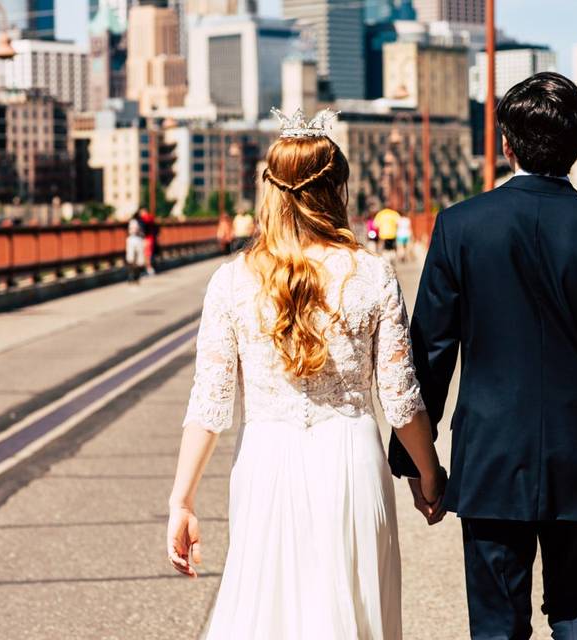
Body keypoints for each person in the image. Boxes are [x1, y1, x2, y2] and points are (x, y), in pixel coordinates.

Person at [388, 72, 577, 639]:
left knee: (496, 620)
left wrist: (417, 464)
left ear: (505, 143)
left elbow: (430, 353)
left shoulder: (460, 227)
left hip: (490, 453)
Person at [167, 116, 444, 639]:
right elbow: (401, 400)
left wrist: (182, 500)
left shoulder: (232, 280)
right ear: (337, 190)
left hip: (267, 464)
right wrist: (429, 473)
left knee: (270, 616)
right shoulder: (372, 273)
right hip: (351, 462)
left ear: (269, 190)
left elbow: (209, 404)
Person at [126, 209, 147, 284]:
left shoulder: (135, 221)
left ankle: (134, 276)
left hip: (135, 239)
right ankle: (133, 276)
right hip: (135, 239)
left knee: (135, 260)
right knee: (133, 259)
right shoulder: (138, 222)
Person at [139, 208, 159, 275]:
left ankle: (148, 268)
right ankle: (150, 268)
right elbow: (156, 229)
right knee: (149, 254)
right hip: (152, 238)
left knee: (146, 255)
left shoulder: (144, 220)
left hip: (146, 238)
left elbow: (143, 230)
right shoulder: (151, 218)